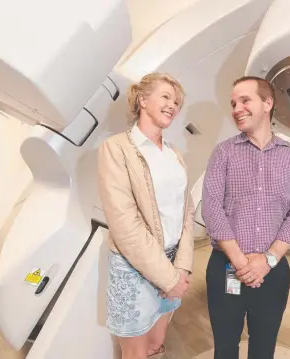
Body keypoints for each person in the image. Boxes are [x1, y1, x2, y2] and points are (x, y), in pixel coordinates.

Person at [202, 76, 290, 359]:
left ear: (267, 103)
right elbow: (212, 206)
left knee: (264, 349)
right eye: (233, 103)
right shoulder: (223, 152)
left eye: (245, 100)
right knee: (225, 349)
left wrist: (268, 259)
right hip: (227, 267)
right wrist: (240, 262)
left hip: (273, 272)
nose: (237, 108)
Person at [97, 72, 195, 359]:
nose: (173, 105)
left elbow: (185, 210)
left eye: (176, 101)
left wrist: (183, 266)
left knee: (156, 345)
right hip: (135, 266)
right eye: (165, 96)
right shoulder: (116, 149)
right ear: (142, 99)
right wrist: (168, 278)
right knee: (136, 353)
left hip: (174, 261)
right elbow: (125, 224)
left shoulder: (175, 154)